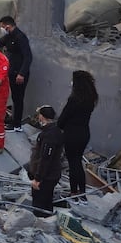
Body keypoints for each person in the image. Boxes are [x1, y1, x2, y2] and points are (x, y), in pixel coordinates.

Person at [57, 69, 98, 197]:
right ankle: (82, 193)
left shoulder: (74, 100)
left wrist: (60, 126)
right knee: (78, 163)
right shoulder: (90, 99)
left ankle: (74, 192)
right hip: (84, 133)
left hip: (71, 134)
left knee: (73, 164)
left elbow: (63, 118)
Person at [28, 105, 65, 214]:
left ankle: (42, 222)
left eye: (39, 115)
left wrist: (38, 179)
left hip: (46, 177)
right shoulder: (55, 131)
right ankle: (46, 220)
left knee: (40, 203)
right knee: (46, 201)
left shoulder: (49, 136)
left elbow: (45, 159)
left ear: (42, 117)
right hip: (50, 175)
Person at [0, 16, 32, 128]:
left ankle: (16, 124)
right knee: (14, 98)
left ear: (8, 25)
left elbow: (28, 57)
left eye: (2, 26)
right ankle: (13, 119)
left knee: (18, 99)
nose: (2, 29)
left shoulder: (20, 37)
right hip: (11, 73)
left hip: (19, 74)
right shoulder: (8, 37)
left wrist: (21, 73)